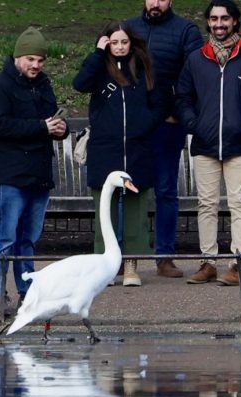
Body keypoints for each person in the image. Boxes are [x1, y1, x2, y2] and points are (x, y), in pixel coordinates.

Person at [175, 0, 241, 286]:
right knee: (206, 204)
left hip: (238, 144)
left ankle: (237, 264)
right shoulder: (196, 59)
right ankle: (208, 262)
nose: (219, 24)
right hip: (205, 143)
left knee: (238, 204)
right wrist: (193, 124)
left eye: (225, 18)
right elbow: (183, 97)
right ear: (207, 22)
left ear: (234, 21)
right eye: (214, 19)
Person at [0, 27, 68, 317]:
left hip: (39, 173)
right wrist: (43, 127)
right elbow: (0, 126)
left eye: (40, 61)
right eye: (31, 59)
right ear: (18, 57)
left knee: (28, 239)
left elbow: (50, 119)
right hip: (11, 175)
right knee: (5, 238)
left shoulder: (44, 86)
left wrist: (59, 129)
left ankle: (27, 293)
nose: (36, 65)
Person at [73, 22, 165, 287]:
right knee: (105, 211)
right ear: (107, 43)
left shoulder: (144, 67)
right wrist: (97, 54)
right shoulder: (99, 67)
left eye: (124, 42)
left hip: (137, 149)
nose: (120, 47)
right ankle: (105, 267)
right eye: (115, 42)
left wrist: (144, 124)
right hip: (105, 149)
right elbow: (80, 84)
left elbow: (159, 103)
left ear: (131, 42)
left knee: (136, 212)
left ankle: (131, 265)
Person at [127, 1, 203, 279]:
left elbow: (194, 75)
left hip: (167, 123)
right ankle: (127, 259)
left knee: (166, 190)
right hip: (133, 122)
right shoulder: (128, 28)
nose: (155, 3)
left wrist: (177, 114)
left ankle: (164, 256)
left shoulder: (185, 31)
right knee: (129, 190)